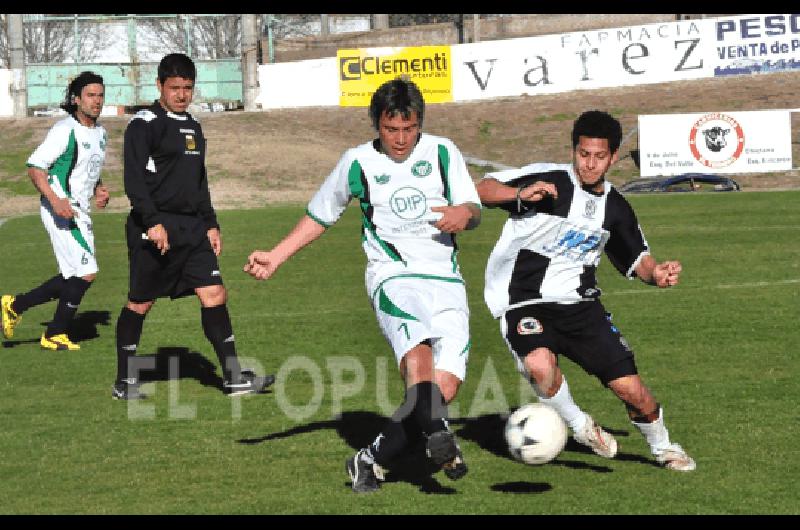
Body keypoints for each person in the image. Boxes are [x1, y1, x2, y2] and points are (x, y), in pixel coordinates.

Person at [244, 78, 482, 492]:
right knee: (418, 361)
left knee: (443, 389)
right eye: (392, 130)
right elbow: (322, 214)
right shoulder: (356, 163)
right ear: (376, 124)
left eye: (410, 129)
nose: (402, 139)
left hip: (446, 279)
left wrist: (466, 215)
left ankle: (370, 459)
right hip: (393, 276)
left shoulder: (443, 152)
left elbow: (472, 207)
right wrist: (276, 256)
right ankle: (439, 439)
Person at [477, 110, 696, 472]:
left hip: (581, 309)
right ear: (574, 150)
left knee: (634, 393)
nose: (590, 164)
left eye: (599, 157)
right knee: (539, 365)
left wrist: (656, 273)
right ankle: (580, 426)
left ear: (612, 158)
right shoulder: (549, 181)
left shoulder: (615, 208)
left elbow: (637, 257)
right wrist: (518, 194)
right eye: (583, 154)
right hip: (524, 301)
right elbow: (482, 189)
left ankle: (664, 447)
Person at [111, 53, 274, 400]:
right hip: (155, 228)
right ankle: (124, 381)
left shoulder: (194, 127)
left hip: (192, 228)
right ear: (159, 86)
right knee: (140, 303)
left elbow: (198, 183)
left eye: (187, 88)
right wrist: (152, 221)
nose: (182, 95)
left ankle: (232, 377)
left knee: (215, 293)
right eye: (175, 88)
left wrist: (211, 224)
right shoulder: (144, 124)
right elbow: (134, 180)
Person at [2, 71, 109, 351]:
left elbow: (87, 167)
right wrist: (55, 200)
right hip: (61, 208)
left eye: (100, 95)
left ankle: (14, 305)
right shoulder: (65, 130)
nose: (97, 101)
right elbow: (35, 167)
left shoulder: (100, 133)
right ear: (76, 99)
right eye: (90, 95)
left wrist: (99, 188)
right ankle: (54, 333)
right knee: (87, 272)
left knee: (73, 275)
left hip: (79, 211)